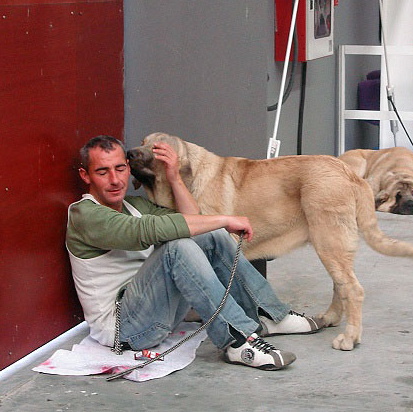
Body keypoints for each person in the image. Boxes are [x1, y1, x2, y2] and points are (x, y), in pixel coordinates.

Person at [66, 135, 323, 371]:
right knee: (177, 246)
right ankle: (238, 341)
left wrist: (174, 176)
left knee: (207, 234)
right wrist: (225, 219)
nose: (115, 180)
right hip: (125, 328)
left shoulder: (135, 206)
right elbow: (147, 230)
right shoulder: (84, 215)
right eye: (102, 172)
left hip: (158, 313)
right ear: (85, 175)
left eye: (120, 169)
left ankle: (268, 314)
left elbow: (193, 222)